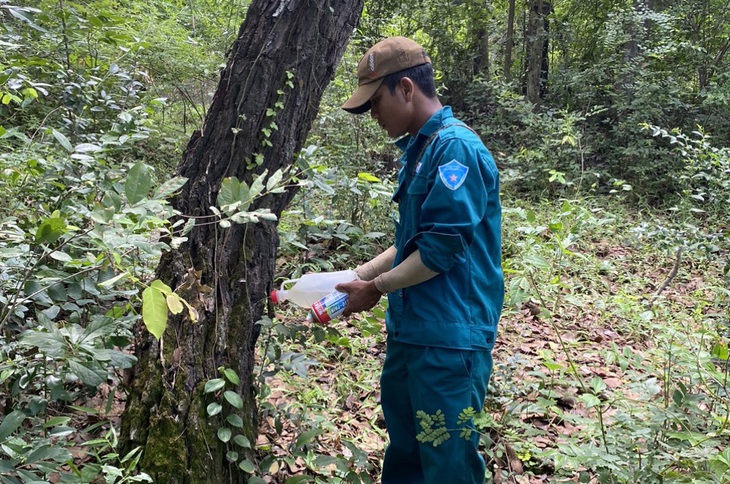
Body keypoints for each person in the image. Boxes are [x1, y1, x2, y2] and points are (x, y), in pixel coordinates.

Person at [334, 37, 504, 483]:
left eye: (375, 102)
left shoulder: (456, 150)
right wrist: (356, 276)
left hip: (449, 339)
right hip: (411, 331)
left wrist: (376, 288)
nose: (373, 115)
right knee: (406, 455)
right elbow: (411, 241)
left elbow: (440, 249)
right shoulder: (420, 150)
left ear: (406, 89)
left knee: (448, 463)